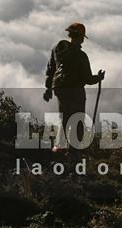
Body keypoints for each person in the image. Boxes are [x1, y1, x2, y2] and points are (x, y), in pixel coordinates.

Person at [43, 22, 105, 151]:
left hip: (60, 88)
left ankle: (59, 147)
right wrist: (98, 78)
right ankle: (74, 150)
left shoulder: (57, 49)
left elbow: (51, 69)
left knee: (64, 117)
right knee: (77, 120)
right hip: (76, 91)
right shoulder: (81, 56)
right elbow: (87, 79)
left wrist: (48, 88)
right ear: (81, 37)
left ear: (70, 34)